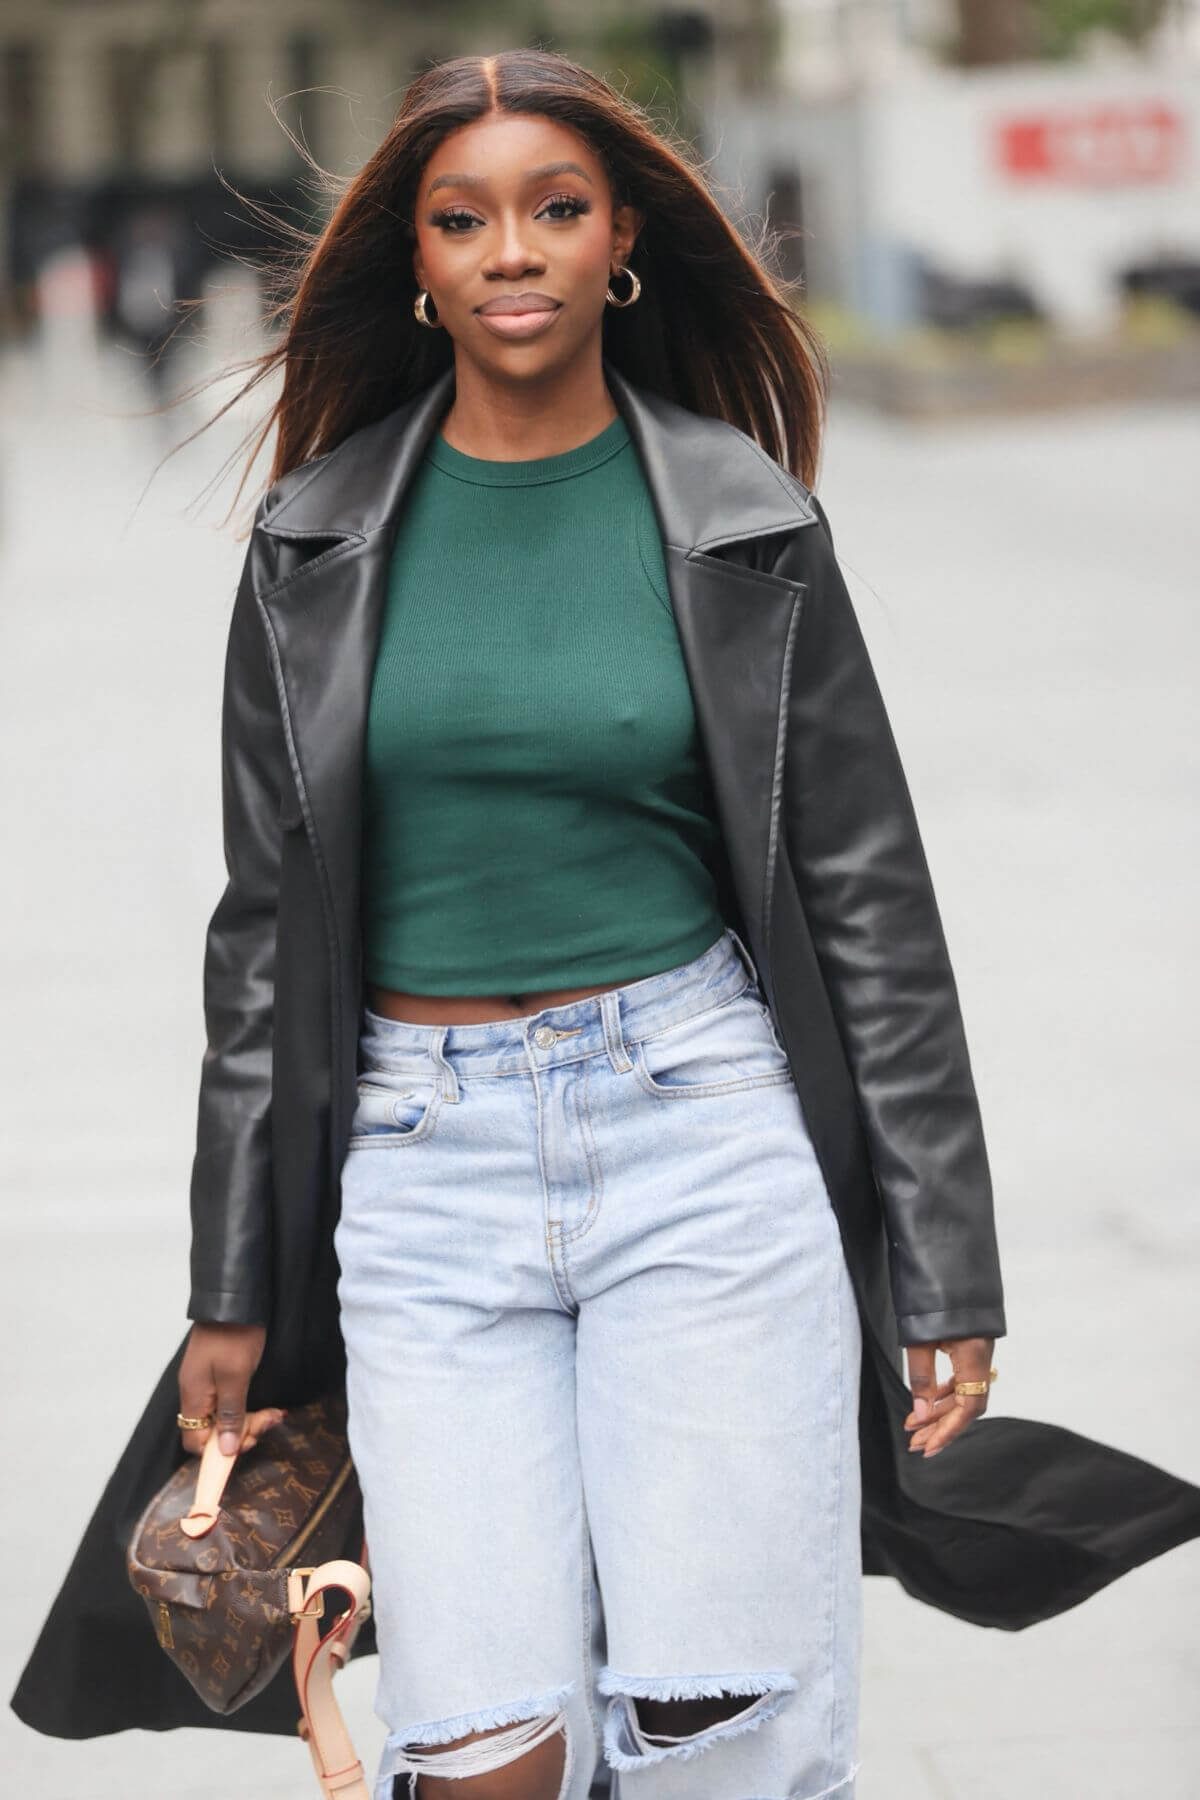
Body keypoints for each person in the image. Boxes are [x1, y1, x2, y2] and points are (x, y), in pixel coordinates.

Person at [11, 45, 1200, 1800]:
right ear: (411, 260)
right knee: (477, 1750)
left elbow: (870, 898)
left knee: (724, 1739)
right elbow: (260, 933)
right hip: (423, 1182)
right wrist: (230, 1284)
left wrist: (949, 1257)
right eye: (464, 218)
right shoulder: (317, 541)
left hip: (701, 1141)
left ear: (619, 240)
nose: (512, 250)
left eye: (555, 210)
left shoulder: (742, 518)